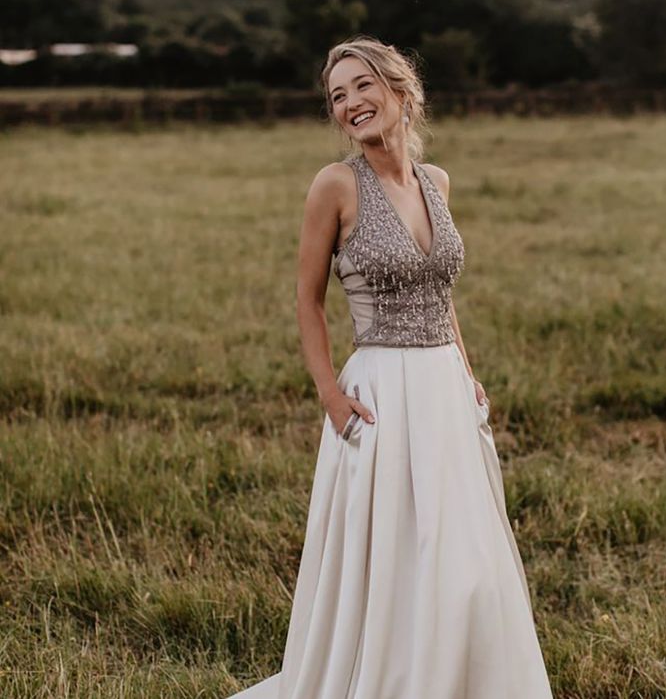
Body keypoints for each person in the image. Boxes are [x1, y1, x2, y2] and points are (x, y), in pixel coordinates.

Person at [228, 35, 553, 699]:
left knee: (465, 560)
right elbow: (307, 299)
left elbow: (442, 294)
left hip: (444, 391)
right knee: (392, 558)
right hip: (379, 392)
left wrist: (468, 373)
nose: (351, 104)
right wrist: (329, 394)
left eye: (363, 86)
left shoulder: (437, 183)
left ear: (402, 92)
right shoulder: (336, 185)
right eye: (338, 96)